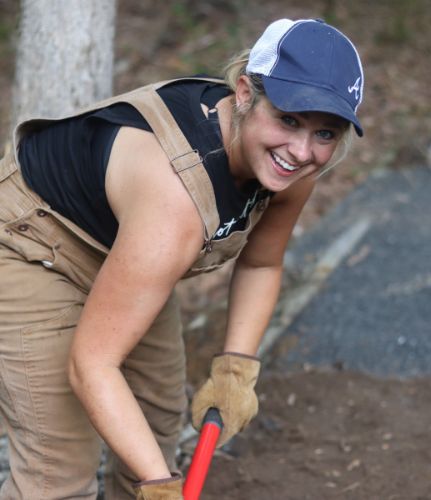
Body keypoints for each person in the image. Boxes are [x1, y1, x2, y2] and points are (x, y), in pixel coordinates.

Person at [0, 17, 364, 500]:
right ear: (244, 93)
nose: (301, 150)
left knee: (156, 420)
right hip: (30, 246)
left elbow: (261, 263)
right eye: (288, 119)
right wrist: (161, 486)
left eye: (326, 132)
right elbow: (94, 364)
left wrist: (236, 369)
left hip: (127, 253)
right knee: (60, 468)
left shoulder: (293, 165)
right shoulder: (176, 198)